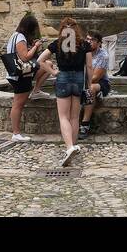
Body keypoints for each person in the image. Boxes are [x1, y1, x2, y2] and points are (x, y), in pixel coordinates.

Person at [6, 14, 54, 142]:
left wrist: (32, 45)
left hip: (22, 73)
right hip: (19, 75)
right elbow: (25, 57)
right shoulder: (20, 38)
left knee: (47, 65)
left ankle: (36, 91)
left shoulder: (16, 36)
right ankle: (16, 133)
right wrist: (35, 47)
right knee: (18, 104)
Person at [52, 17, 88, 166]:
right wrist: (89, 84)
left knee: (63, 117)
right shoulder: (84, 45)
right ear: (76, 29)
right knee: (74, 117)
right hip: (79, 79)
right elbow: (90, 66)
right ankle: (73, 145)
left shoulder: (57, 44)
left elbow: (40, 60)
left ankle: (69, 147)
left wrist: (53, 72)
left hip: (63, 79)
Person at [78, 31, 111, 137]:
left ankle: (85, 125)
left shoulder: (103, 55)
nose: (89, 42)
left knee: (90, 89)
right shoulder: (82, 51)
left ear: (99, 43)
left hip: (100, 82)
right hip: (82, 79)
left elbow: (95, 77)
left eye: (92, 40)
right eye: (87, 39)